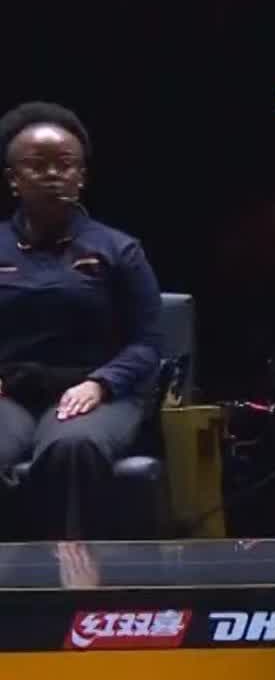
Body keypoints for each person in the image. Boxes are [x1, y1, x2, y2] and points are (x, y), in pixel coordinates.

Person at [0, 103, 163, 538]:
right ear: (13, 179)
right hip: (9, 393)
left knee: (72, 445)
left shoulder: (119, 250)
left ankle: (74, 570)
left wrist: (101, 383)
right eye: (37, 166)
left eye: (65, 164)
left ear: (82, 177)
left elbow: (147, 343)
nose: (53, 174)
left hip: (95, 392)